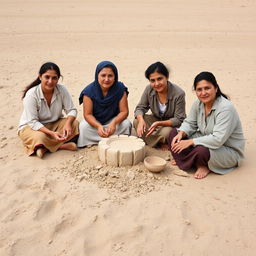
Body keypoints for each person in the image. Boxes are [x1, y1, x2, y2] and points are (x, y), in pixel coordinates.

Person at [169, 71, 245, 179]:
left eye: (207, 88)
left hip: (227, 150)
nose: (203, 93)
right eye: (199, 89)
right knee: (173, 133)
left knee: (202, 151)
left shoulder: (226, 108)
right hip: (205, 139)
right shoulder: (198, 104)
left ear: (216, 88)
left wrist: (190, 142)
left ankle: (199, 164)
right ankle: (189, 160)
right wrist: (181, 133)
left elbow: (218, 139)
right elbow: (190, 123)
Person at [18, 62, 79, 158]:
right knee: (40, 137)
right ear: (40, 77)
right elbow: (33, 122)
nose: (50, 81)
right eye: (47, 77)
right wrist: (51, 133)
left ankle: (44, 148)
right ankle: (61, 146)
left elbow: (72, 110)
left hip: (54, 124)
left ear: (58, 79)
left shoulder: (62, 90)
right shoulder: (31, 94)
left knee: (74, 123)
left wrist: (68, 123)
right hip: (31, 127)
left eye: (54, 78)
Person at [78, 61, 131, 147]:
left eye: (110, 76)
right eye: (103, 75)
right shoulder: (88, 91)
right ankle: (108, 139)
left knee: (126, 124)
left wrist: (113, 123)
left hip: (112, 121)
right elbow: (88, 114)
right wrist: (98, 126)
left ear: (115, 77)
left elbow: (124, 112)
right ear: (97, 76)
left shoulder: (120, 89)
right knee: (83, 127)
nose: (106, 79)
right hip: (95, 123)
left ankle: (110, 138)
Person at [133, 61, 186, 148]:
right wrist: (141, 120)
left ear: (167, 77)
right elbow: (140, 108)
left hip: (170, 124)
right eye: (152, 80)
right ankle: (159, 142)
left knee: (167, 133)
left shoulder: (179, 93)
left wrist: (160, 123)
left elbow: (179, 119)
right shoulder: (149, 89)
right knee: (136, 121)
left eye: (160, 79)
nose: (156, 84)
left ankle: (155, 142)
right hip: (156, 120)